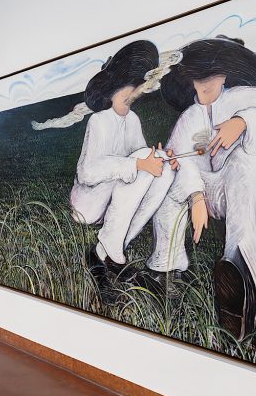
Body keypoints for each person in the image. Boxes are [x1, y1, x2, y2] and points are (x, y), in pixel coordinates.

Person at [150, 37, 256, 338]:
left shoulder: (251, 98)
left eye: (211, 74)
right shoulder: (190, 116)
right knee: (167, 170)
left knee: (245, 163)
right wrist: (196, 196)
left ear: (225, 74)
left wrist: (246, 123)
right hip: (206, 190)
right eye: (197, 76)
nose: (204, 84)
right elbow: (182, 158)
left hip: (243, 185)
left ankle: (244, 278)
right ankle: (167, 269)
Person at [67, 40, 176, 279]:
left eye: (133, 98)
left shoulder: (132, 120)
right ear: (112, 90)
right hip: (89, 202)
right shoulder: (99, 120)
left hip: (116, 197)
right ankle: (113, 254)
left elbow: (140, 156)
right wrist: (138, 163)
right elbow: (87, 173)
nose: (130, 101)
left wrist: (158, 157)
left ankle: (105, 251)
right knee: (142, 162)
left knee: (164, 168)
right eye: (126, 97)